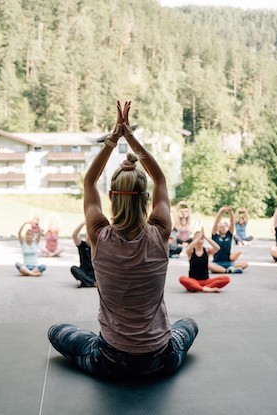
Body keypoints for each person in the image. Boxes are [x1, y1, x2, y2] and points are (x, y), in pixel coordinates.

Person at [48, 100, 198, 378]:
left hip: (111, 360)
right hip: (161, 359)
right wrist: (130, 137)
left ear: (111, 198)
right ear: (147, 200)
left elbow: (90, 181)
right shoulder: (161, 230)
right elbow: (161, 179)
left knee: (56, 331)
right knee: (189, 324)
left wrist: (113, 139)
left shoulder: (98, 233)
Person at [179, 228, 230, 293]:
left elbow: (217, 248)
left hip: (206, 281)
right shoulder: (191, 252)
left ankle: (201, 288)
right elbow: (188, 248)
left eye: (201, 239)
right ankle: (204, 289)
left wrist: (205, 237)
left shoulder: (207, 251)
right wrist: (198, 238)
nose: (199, 241)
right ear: (194, 240)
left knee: (226, 279)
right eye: (197, 239)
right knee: (182, 279)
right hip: (193, 281)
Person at [208, 206, 248, 274]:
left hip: (228, 263)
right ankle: (228, 270)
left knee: (245, 264)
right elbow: (216, 222)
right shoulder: (215, 236)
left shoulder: (229, 236)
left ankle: (227, 269)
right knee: (208, 265)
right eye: (221, 227)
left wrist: (231, 212)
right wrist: (220, 211)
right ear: (218, 229)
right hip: (217, 263)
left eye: (225, 227)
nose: (223, 228)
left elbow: (232, 222)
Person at [70, 221, 96, 287]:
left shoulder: (97, 246)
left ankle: (85, 282)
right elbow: (74, 235)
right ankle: (91, 282)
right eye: (87, 237)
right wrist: (84, 222)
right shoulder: (82, 245)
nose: (88, 239)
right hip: (84, 272)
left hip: (95, 273)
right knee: (73, 268)